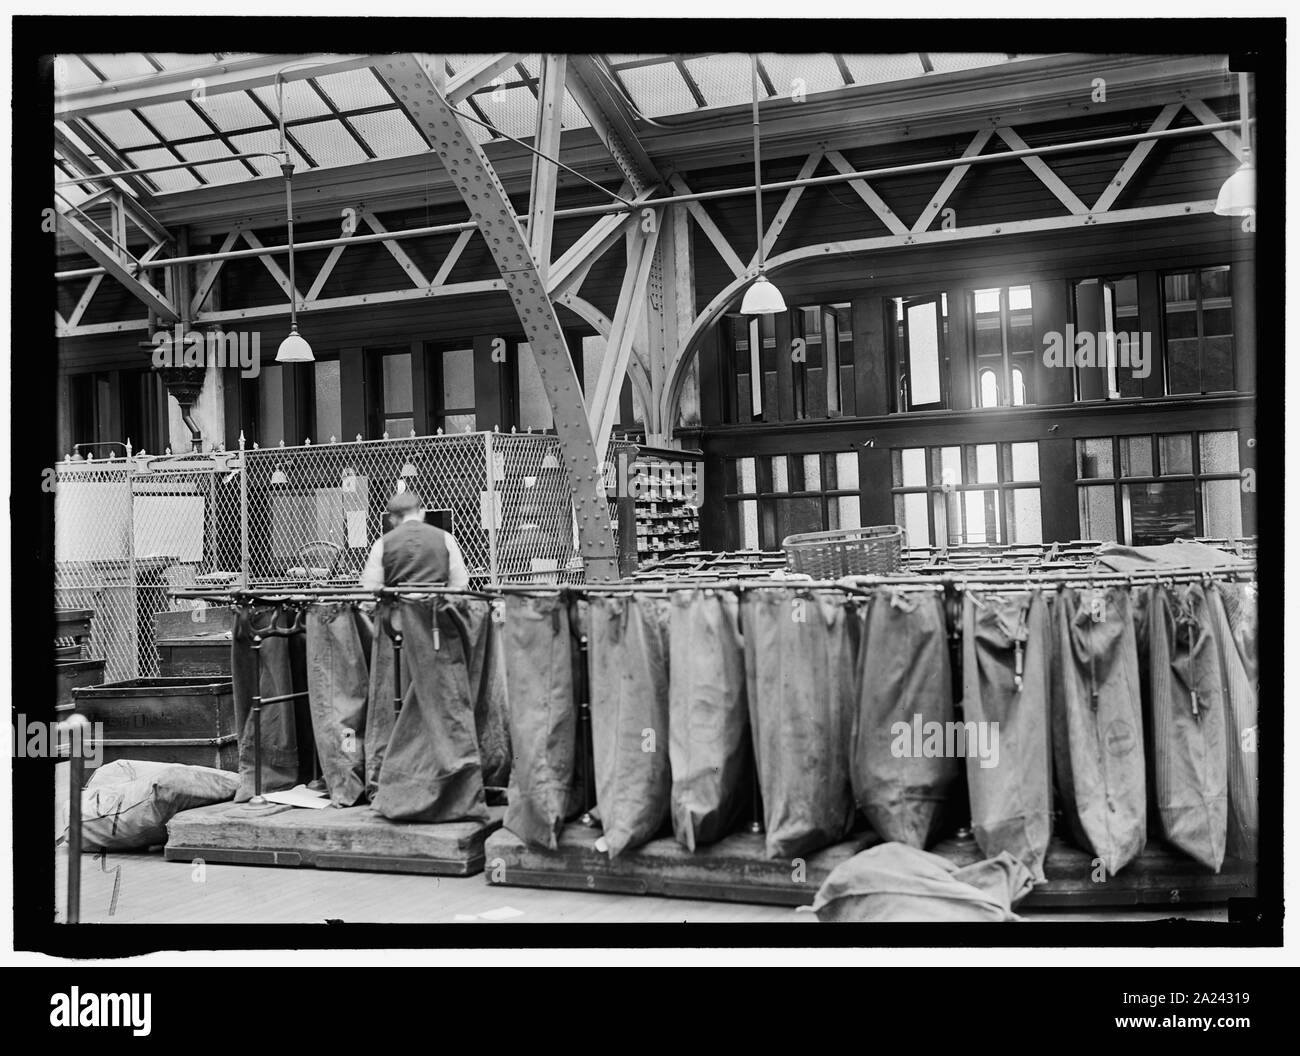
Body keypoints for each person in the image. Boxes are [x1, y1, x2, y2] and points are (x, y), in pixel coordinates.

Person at [360, 489, 469, 591]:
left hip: (398, 608)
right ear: (421, 512)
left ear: (392, 519)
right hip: (436, 608)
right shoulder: (445, 538)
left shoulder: (382, 543)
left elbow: (371, 586)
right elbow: (459, 582)